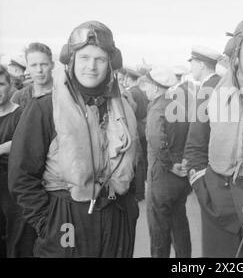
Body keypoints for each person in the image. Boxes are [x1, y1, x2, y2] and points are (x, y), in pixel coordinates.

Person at [8, 21, 139, 258]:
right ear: (71, 61)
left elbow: (134, 164)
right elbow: (21, 176)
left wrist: (129, 214)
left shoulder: (123, 110)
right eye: (84, 57)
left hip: (115, 218)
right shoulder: (45, 109)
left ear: (110, 64)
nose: (91, 66)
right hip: (65, 218)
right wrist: (47, 222)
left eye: (100, 59)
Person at [176, 14, 243, 257]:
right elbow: (195, 148)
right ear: (237, 53)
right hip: (218, 201)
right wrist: (205, 193)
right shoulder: (211, 93)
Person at [143, 66, 191, 258]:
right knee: (179, 224)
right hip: (181, 176)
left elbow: (156, 139)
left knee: (159, 230)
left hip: (162, 176)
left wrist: (169, 164)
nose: (145, 90)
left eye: (147, 86)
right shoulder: (179, 106)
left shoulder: (157, 108)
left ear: (156, 87)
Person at [0, 65, 36, 257]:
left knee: (18, 240)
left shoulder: (21, 113)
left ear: (10, 85)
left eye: (0, 84)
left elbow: (26, 143)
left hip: (13, 188)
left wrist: (4, 147)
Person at [124, 68, 149, 201]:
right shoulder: (140, 91)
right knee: (142, 161)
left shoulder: (131, 93)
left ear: (129, 79)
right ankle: (141, 190)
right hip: (143, 128)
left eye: (126, 78)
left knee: (137, 162)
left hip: (136, 128)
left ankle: (138, 193)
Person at [11, 43, 54, 108]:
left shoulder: (67, 92)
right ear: (27, 67)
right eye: (33, 65)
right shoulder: (18, 98)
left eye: (44, 64)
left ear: (52, 65)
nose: (39, 70)